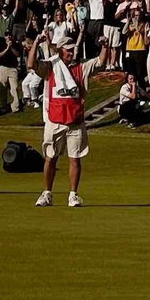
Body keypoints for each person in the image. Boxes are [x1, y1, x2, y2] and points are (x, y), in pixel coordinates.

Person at [37, 42, 90, 207]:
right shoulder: (51, 66)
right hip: (55, 120)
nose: (71, 53)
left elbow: (101, 61)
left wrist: (104, 45)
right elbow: (31, 64)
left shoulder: (80, 68)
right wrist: (36, 43)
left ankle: (73, 195)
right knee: (50, 158)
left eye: (73, 50)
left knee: (75, 159)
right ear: (61, 51)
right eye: (68, 50)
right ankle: (47, 193)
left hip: (75, 121)